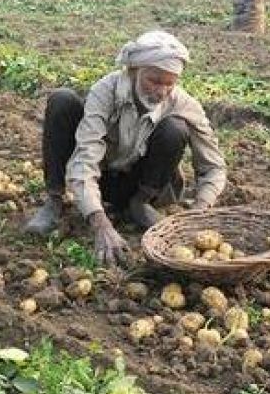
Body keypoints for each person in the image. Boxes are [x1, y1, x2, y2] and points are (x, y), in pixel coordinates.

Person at [24, 30, 227, 265]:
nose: (161, 91)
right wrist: (99, 222)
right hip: (102, 179)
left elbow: (214, 166)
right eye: (153, 80)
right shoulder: (106, 91)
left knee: (175, 129)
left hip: (142, 183)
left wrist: (200, 210)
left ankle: (139, 204)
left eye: (169, 84)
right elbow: (86, 155)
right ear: (133, 71)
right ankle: (54, 200)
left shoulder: (182, 102)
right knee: (62, 100)